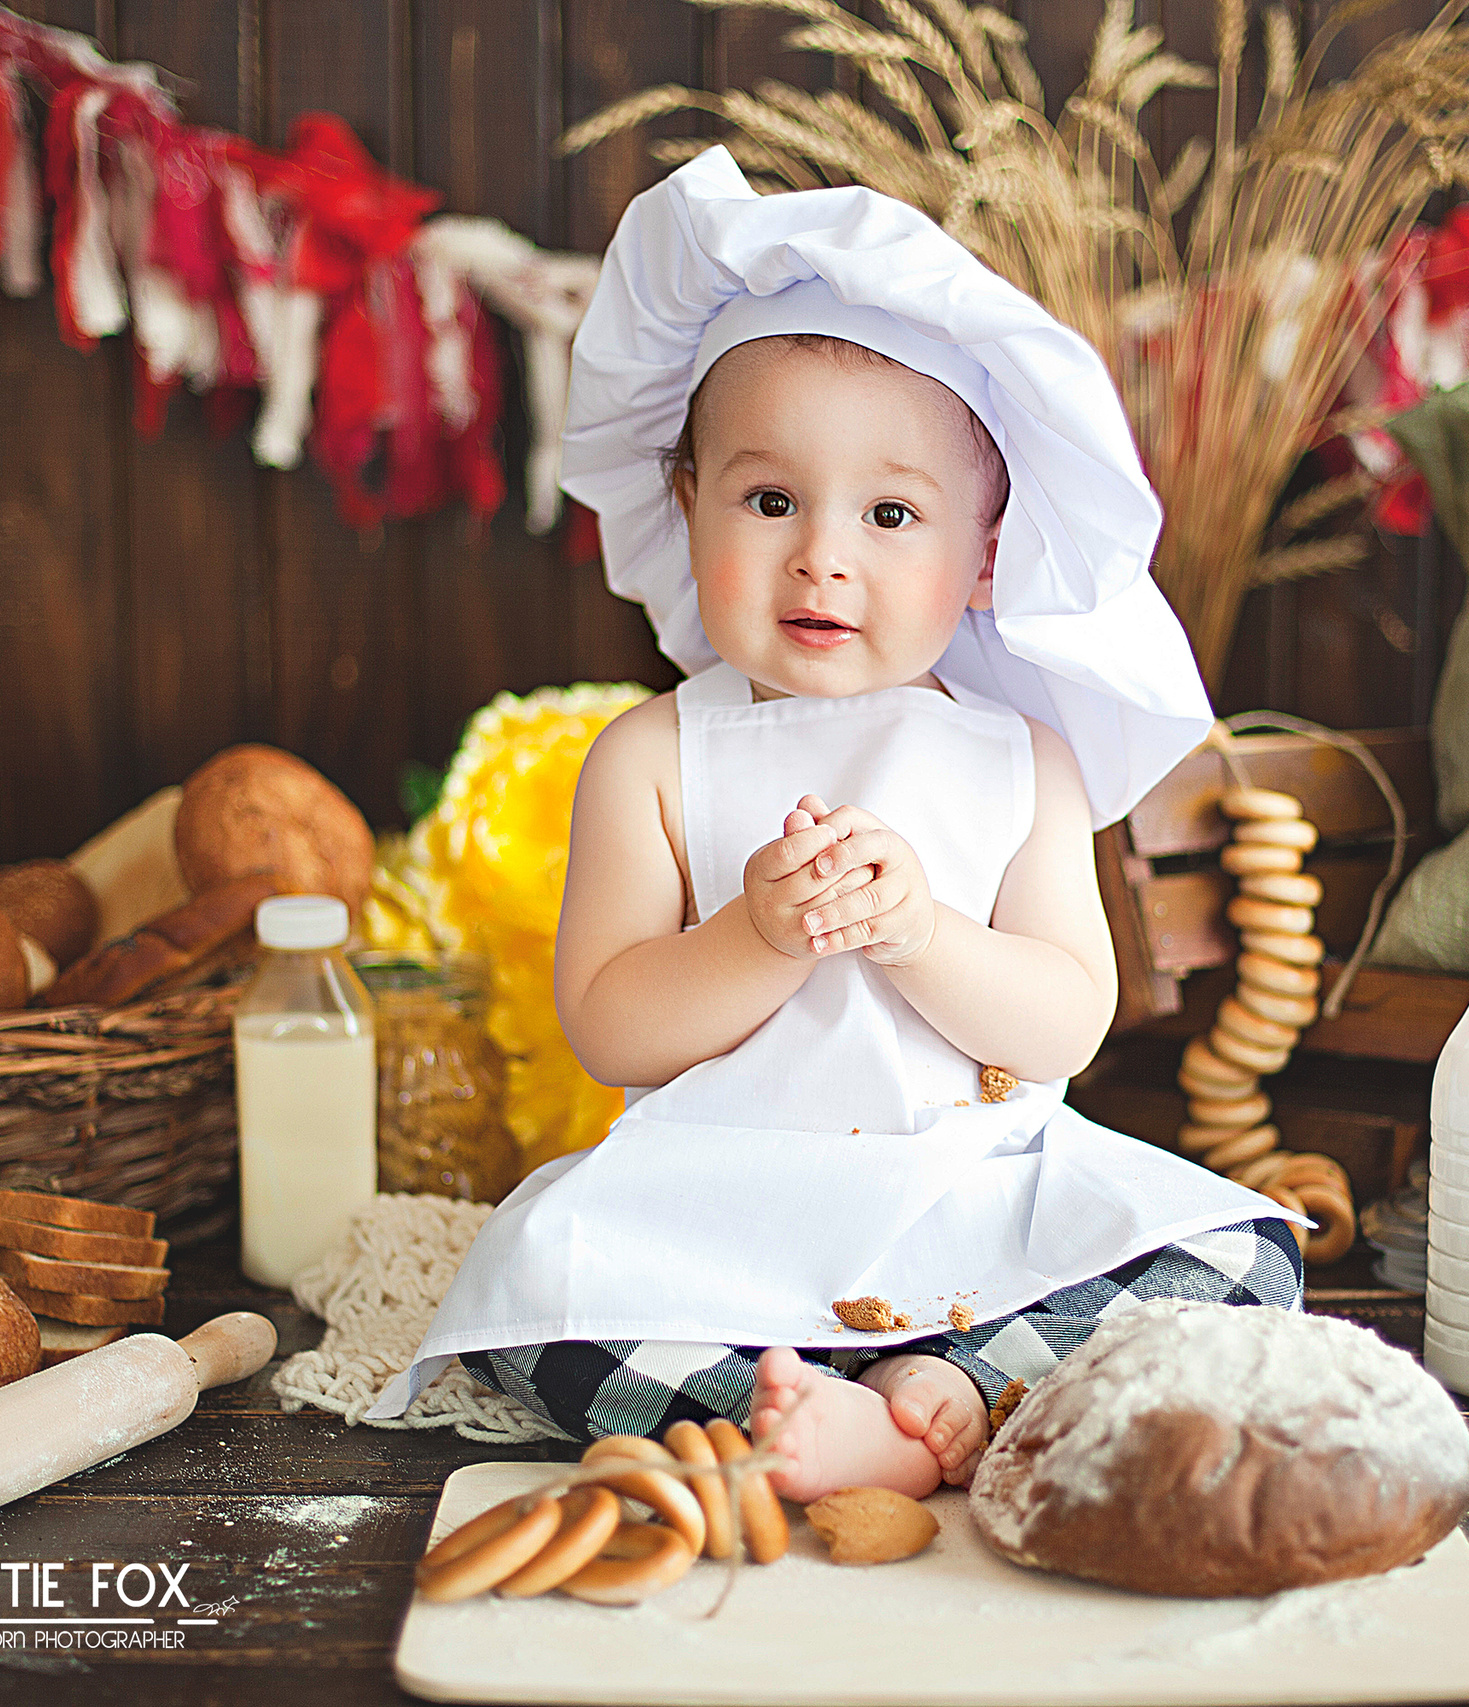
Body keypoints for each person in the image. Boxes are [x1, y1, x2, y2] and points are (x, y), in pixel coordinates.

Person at [374, 148, 1305, 1503]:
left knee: (1246, 1264)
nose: (824, 555)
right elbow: (612, 1023)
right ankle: (864, 1399)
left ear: (984, 553)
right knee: (540, 1314)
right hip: (714, 1210)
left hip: (974, 1190)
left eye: (890, 513)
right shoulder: (651, 755)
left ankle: (936, 1386)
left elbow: (1062, 1023)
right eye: (769, 500)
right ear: (684, 503)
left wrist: (920, 930)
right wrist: (761, 933)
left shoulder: (1014, 759)